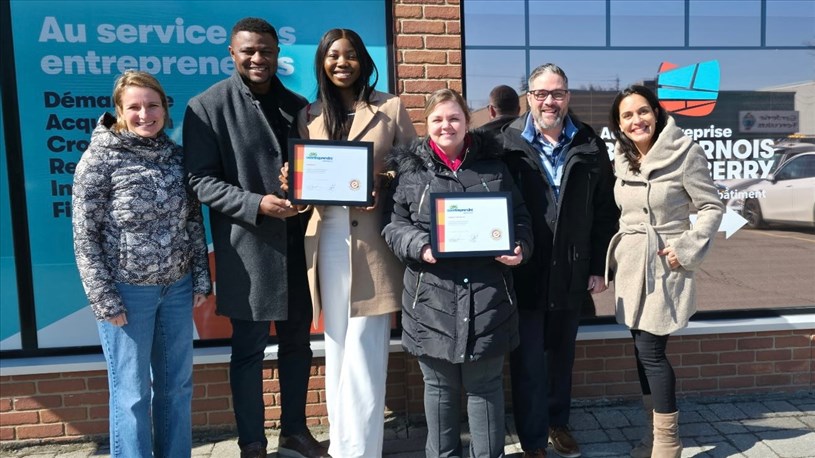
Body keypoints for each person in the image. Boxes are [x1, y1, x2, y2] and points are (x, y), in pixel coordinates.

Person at [182, 18, 327, 458]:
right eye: (248, 51)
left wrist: (306, 196)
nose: (258, 58)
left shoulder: (298, 106)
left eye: (265, 50)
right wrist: (256, 204)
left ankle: (295, 431)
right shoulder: (206, 106)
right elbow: (199, 181)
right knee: (248, 352)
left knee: (298, 347)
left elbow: (313, 169)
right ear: (232, 53)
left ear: (277, 52)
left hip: (297, 247)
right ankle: (251, 442)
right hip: (247, 252)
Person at [285, 28, 416, 458]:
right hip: (326, 236)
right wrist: (294, 183)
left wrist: (384, 180)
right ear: (322, 62)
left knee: (365, 345)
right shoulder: (309, 115)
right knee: (337, 343)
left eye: (351, 55)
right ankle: (343, 444)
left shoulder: (390, 107)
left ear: (363, 61)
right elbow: (307, 177)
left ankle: (359, 451)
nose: (342, 63)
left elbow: (414, 167)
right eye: (333, 56)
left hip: (372, 240)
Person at [382, 88, 533, 458]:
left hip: (488, 298)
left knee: (485, 388)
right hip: (430, 300)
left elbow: (520, 219)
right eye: (437, 119)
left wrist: (520, 247)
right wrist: (420, 245)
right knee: (439, 391)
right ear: (426, 124)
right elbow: (393, 225)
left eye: (454, 118)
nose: (446, 125)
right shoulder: (410, 173)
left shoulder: (494, 167)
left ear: (468, 122)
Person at [72, 70, 211, 457]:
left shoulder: (175, 157)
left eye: (152, 105)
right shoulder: (100, 160)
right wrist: (105, 299)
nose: (145, 114)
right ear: (119, 110)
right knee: (132, 392)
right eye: (134, 107)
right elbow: (85, 236)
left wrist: (200, 277)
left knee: (177, 387)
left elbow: (192, 220)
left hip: (177, 288)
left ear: (164, 108)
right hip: (128, 294)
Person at [500, 63, 619, 458]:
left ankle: (557, 423)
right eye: (541, 94)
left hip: (571, 268)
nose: (549, 101)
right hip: (526, 270)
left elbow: (605, 211)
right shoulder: (506, 143)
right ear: (528, 97)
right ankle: (533, 439)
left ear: (568, 97)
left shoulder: (590, 143)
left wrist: (599, 266)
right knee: (528, 361)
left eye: (557, 93)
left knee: (561, 356)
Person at [606, 85, 724, 458]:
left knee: (651, 351)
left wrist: (685, 248)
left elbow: (711, 207)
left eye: (642, 111)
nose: (636, 120)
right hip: (631, 267)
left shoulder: (685, 153)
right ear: (619, 124)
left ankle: (669, 443)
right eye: (627, 115)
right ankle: (653, 437)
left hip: (663, 265)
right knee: (641, 351)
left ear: (656, 113)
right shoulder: (622, 158)